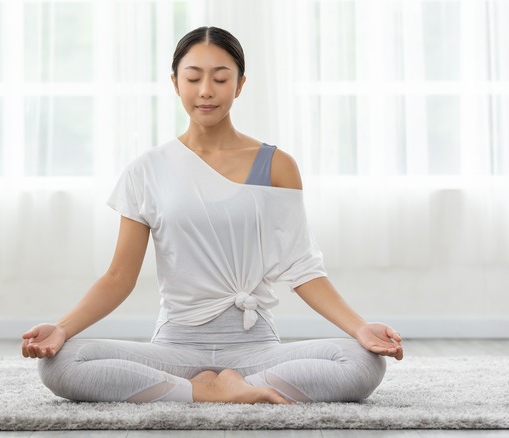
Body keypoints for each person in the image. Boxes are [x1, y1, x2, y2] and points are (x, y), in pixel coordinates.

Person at [22, 26, 403, 404]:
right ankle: (205, 390)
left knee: (360, 361)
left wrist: (360, 327)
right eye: (193, 78)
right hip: (176, 349)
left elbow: (303, 268)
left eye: (221, 79)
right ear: (175, 83)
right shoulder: (148, 170)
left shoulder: (275, 165)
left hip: (255, 350)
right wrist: (61, 328)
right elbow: (119, 277)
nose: (206, 90)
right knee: (63, 362)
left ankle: (213, 388)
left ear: (239, 85)